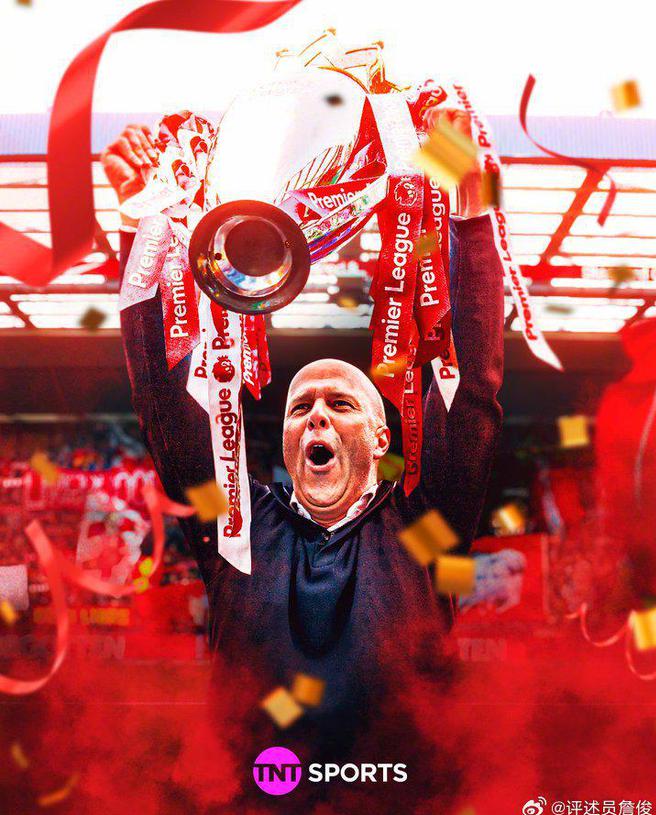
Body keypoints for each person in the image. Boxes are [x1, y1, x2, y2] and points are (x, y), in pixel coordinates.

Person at [102, 114, 504, 757]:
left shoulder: (424, 532)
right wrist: (143, 224)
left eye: (340, 403)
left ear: (381, 439)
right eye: (300, 408)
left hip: (399, 799)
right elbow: (164, 406)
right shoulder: (237, 534)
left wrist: (470, 211)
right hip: (253, 800)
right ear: (288, 442)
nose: (316, 416)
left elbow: (471, 390)